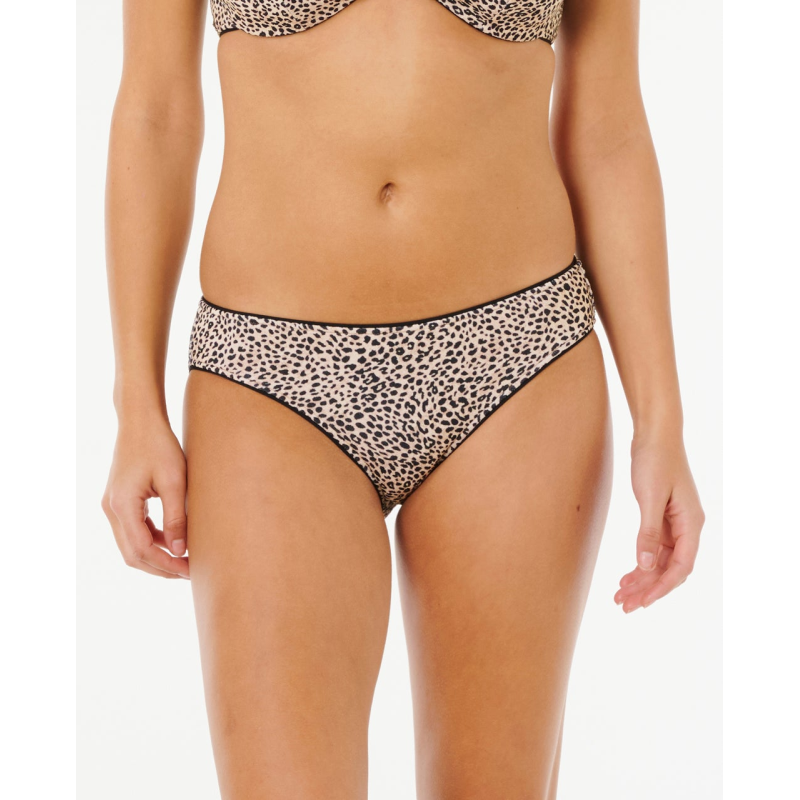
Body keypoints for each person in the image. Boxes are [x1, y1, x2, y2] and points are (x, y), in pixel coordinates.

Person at [101, 0, 706, 796]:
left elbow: (609, 127)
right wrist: (135, 401)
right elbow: (155, 111)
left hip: (516, 362)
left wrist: (661, 420)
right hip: (269, 376)